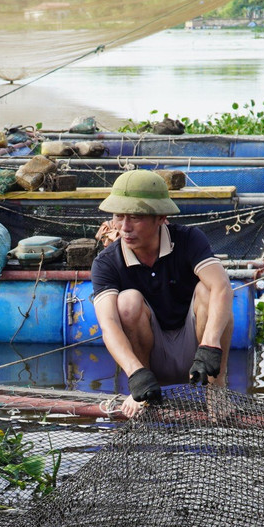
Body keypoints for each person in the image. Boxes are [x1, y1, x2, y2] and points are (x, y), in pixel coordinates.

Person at [89, 169, 234, 418]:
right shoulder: (106, 262)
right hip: (150, 358)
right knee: (126, 302)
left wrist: (210, 345)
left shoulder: (189, 239)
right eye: (118, 217)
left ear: (161, 218)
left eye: (135, 217)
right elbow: (109, 324)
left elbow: (222, 286)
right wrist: (135, 372)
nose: (124, 227)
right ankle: (145, 390)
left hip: (199, 354)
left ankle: (215, 389)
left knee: (208, 289)